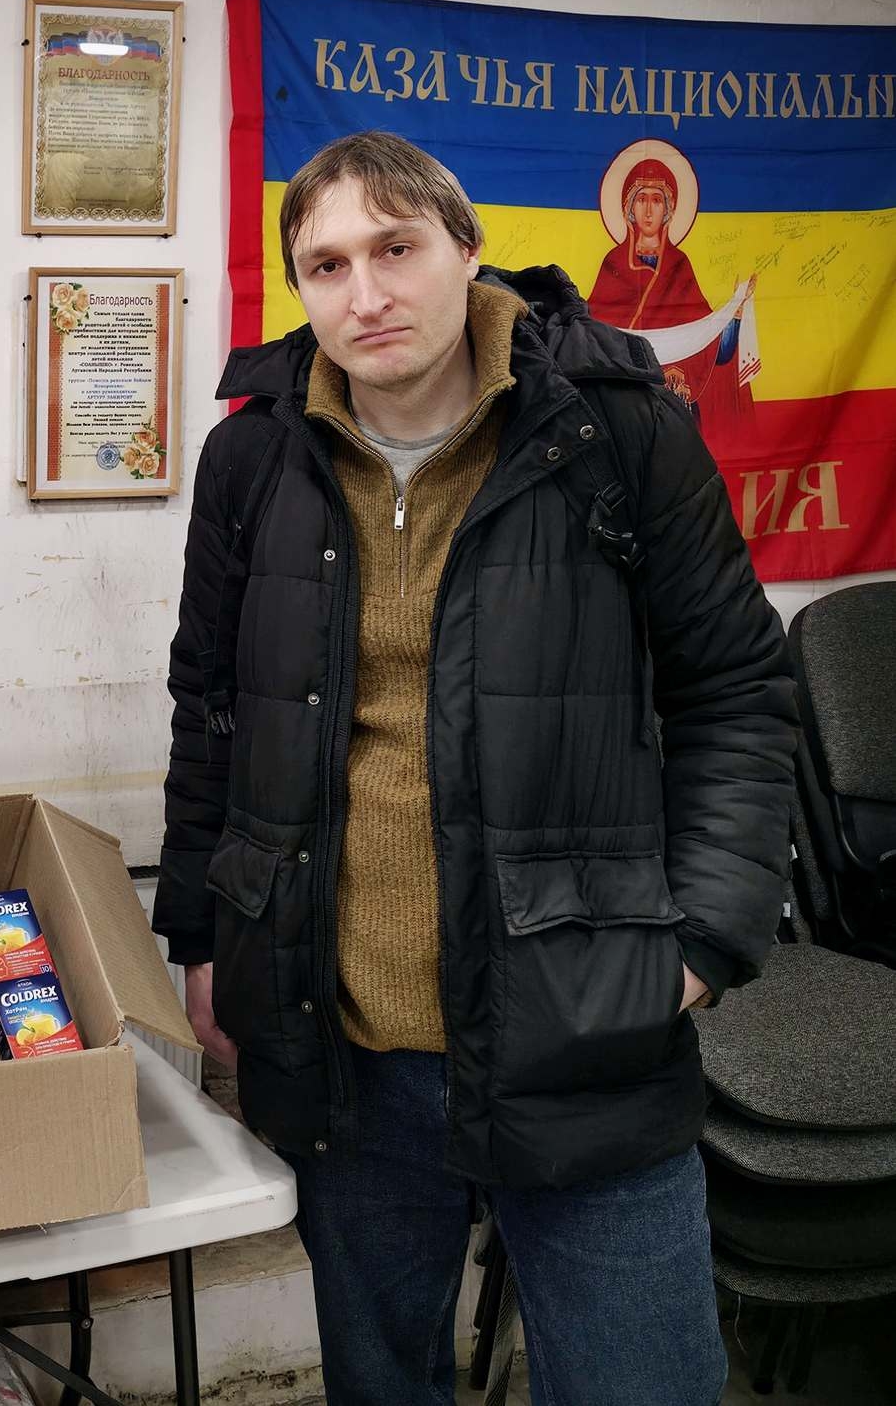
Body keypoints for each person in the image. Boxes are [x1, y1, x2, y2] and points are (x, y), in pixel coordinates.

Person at [153, 130, 796, 1406]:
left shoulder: (615, 432)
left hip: (587, 1032)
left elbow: (736, 690)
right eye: (328, 265)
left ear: (466, 248)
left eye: (395, 248)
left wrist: (702, 944)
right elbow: (212, 710)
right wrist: (204, 937)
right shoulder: (255, 458)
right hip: (344, 1044)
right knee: (382, 1382)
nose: (366, 294)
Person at [587, 154, 755, 436]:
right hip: (624, 396)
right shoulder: (613, 264)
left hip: (673, 400)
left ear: (668, 209)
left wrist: (734, 313)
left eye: (657, 200)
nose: (648, 210)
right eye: (641, 199)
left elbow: (709, 344)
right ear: (629, 208)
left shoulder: (679, 265)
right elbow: (593, 333)